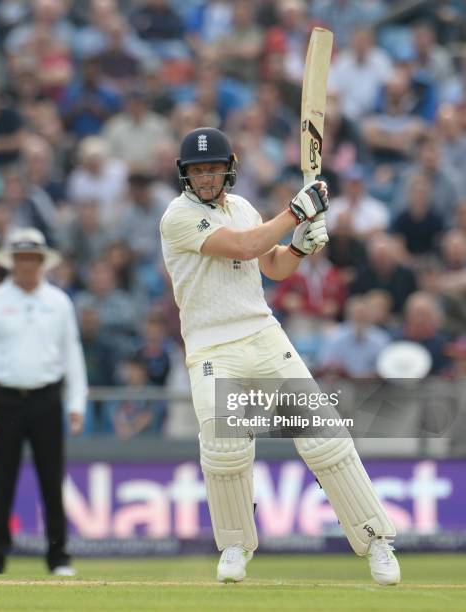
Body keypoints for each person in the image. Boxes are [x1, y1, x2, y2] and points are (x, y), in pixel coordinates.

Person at [160, 127, 400, 585]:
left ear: (228, 167)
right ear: (185, 175)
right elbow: (245, 246)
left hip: (263, 333)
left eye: (213, 168)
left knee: (325, 436)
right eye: (197, 170)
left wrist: (299, 246)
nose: (206, 178)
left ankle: (376, 542)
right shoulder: (177, 216)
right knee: (223, 440)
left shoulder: (244, 208)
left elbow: (269, 264)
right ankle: (234, 544)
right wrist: (297, 211)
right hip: (212, 343)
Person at [0, 228, 88, 576]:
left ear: (41, 262)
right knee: (2, 482)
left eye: (32, 259)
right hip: (5, 400)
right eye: (21, 258)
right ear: (12, 262)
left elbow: (72, 354)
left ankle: (58, 557)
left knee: (52, 481)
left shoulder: (59, 302)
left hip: (46, 398)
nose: (27, 265)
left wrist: (76, 403)